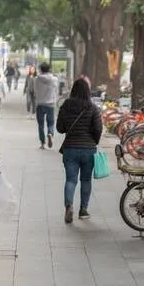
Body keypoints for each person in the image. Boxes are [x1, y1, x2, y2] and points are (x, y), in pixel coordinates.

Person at [57, 78, 103, 223]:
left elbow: (60, 128)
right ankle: (83, 210)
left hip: (70, 148)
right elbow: (98, 128)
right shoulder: (92, 108)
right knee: (85, 180)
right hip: (88, 149)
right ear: (88, 91)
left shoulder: (66, 106)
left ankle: (69, 206)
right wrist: (94, 141)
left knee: (71, 180)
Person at [35, 63, 59, 149]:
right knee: (51, 122)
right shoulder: (55, 79)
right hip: (51, 104)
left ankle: (42, 143)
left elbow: (36, 90)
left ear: (41, 69)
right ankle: (50, 133)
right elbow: (56, 91)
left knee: (40, 124)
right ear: (49, 69)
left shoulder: (37, 79)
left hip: (40, 104)